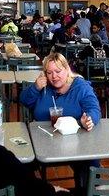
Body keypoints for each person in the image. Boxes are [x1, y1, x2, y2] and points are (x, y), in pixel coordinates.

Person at [20, 52, 101, 190]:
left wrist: (88, 120)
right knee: (22, 163)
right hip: (43, 141)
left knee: (89, 161)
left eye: (58, 71)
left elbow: (94, 109)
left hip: (75, 143)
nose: (54, 76)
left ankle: (91, 190)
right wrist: (36, 88)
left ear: (67, 69)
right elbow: (24, 100)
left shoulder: (80, 87)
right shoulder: (43, 87)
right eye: (49, 72)